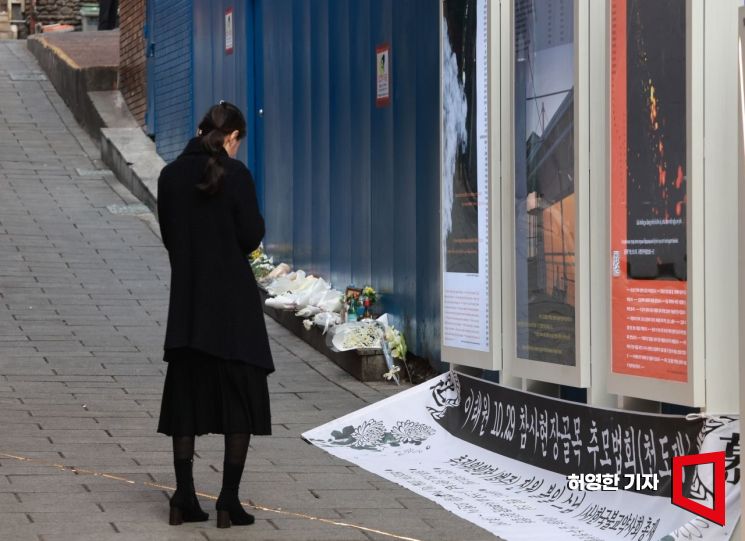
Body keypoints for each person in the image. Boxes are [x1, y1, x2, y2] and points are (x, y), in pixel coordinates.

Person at [156, 101, 274, 529]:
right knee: (239, 399)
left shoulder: (169, 176)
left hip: (188, 306)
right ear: (232, 137)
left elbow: (171, 237)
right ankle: (227, 501)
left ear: (198, 128)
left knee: (186, 399)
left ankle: (183, 497)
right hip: (234, 307)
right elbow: (251, 236)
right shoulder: (237, 175)